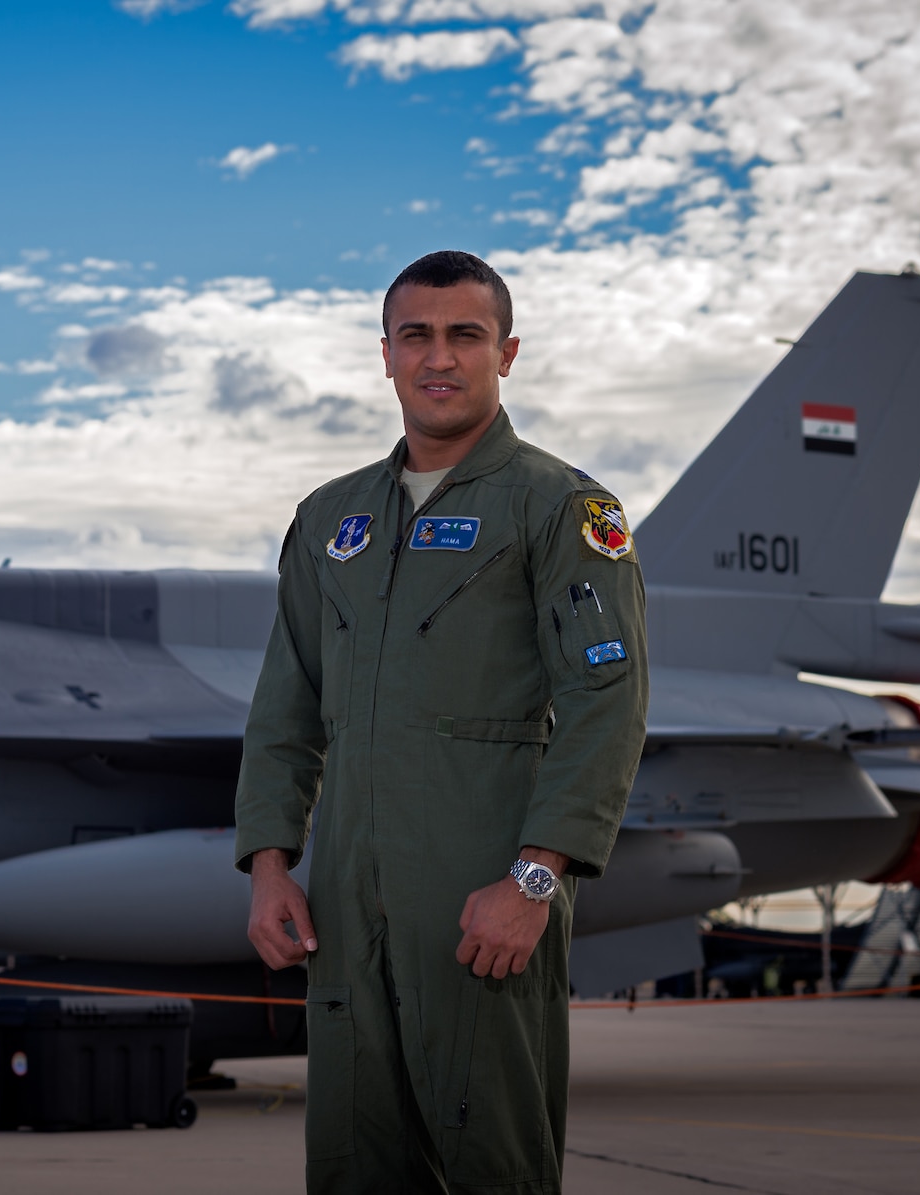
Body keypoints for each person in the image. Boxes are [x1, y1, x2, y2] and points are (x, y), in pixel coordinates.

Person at [235, 250, 649, 1193]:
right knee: (349, 1158)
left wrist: (534, 877)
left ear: (507, 352)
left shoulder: (563, 508)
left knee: (491, 1156)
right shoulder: (331, 519)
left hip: (481, 891)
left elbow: (606, 702)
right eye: (416, 335)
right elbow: (285, 705)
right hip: (345, 900)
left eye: (466, 335)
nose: (440, 357)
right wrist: (270, 867)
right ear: (385, 355)